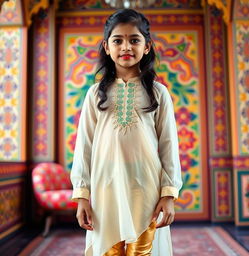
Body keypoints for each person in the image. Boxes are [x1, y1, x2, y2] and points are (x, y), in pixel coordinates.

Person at [70, 8, 183, 256]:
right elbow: (84, 146)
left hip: (145, 188)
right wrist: (82, 196)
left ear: (147, 46)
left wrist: (169, 194)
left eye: (134, 40)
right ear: (106, 47)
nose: (126, 47)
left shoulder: (158, 93)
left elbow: (168, 145)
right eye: (118, 40)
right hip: (105, 187)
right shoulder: (95, 94)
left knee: (142, 251)